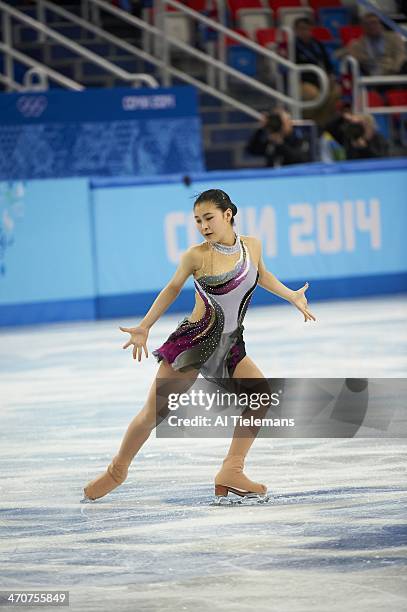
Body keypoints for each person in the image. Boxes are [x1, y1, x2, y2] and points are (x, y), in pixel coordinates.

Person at [82, 189, 316, 503]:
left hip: (230, 345)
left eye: (208, 218)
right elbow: (172, 288)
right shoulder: (196, 256)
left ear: (227, 215)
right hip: (194, 343)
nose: (203, 226)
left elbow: (262, 275)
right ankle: (116, 471)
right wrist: (145, 326)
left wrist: (291, 295)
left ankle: (231, 471)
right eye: (197, 221)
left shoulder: (253, 246)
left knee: (260, 396)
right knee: (154, 412)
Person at [294, 17, 342, 127]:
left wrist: (330, 76)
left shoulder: (317, 44)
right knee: (313, 94)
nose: (305, 32)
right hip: (302, 81)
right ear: (296, 30)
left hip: (320, 80)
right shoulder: (292, 46)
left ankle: (321, 123)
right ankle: (308, 123)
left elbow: (327, 64)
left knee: (337, 90)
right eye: (302, 29)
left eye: (307, 29)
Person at [336, 12, 407, 76]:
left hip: (393, 71)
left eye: (374, 22)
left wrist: (394, 69)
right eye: (367, 24)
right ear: (363, 27)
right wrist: (351, 50)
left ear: (380, 24)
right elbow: (337, 55)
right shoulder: (358, 43)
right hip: (370, 73)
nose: (372, 26)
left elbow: (401, 56)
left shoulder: (394, 38)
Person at [246, 109, 311, 167]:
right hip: (273, 177)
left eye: (281, 121)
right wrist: (261, 128)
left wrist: (280, 143)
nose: (279, 124)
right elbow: (252, 150)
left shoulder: (299, 137)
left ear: (289, 122)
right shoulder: (271, 139)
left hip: (293, 176)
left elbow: (299, 159)